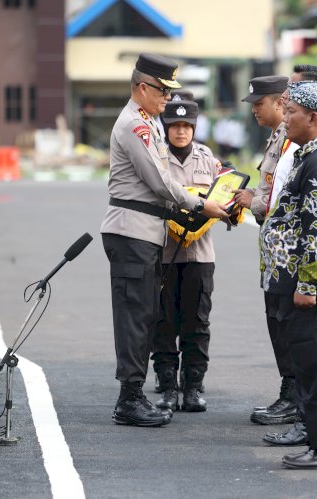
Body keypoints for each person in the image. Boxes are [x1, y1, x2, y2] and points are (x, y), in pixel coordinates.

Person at [100, 53, 227, 428]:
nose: (167, 99)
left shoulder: (147, 122)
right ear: (142, 87)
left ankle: (135, 394)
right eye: (162, 91)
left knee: (145, 314)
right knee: (135, 316)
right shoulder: (134, 126)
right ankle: (130, 398)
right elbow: (159, 181)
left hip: (144, 230)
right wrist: (201, 203)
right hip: (131, 230)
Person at [259, 78, 317, 470]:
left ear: (313, 117)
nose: (286, 120)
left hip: (310, 279)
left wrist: (307, 285)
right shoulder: (306, 155)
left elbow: (316, 228)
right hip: (301, 276)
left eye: (292, 113)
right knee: (312, 361)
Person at [150, 100, 234, 413]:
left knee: (197, 321)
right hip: (164, 252)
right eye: (175, 126)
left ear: (194, 128)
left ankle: (193, 387)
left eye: (186, 126)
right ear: (166, 128)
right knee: (163, 321)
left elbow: (222, 198)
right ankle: (168, 386)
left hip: (199, 255)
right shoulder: (155, 157)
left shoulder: (208, 159)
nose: (181, 131)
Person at [232, 74, 301, 426]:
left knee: (286, 320)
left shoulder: (292, 140)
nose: (255, 111)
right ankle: (289, 391)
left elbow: (283, 196)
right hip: (272, 244)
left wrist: (252, 200)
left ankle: (294, 395)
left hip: (287, 247)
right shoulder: (278, 137)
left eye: (260, 104)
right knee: (276, 318)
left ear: (279, 102)